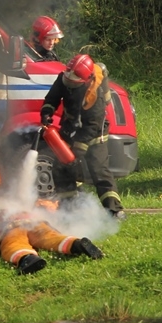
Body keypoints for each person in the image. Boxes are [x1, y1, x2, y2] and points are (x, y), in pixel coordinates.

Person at [40, 53, 125, 218]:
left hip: (93, 134)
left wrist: (77, 151)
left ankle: (114, 210)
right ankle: (68, 207)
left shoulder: (95, 94)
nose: (69, 84)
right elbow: (52, 97)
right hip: (70, 127)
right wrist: (47, 112)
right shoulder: (64, 78)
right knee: (61, 167)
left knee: (98, 170)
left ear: (86, 80)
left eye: (74, 82)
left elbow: (92, 126)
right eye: (68, 79)